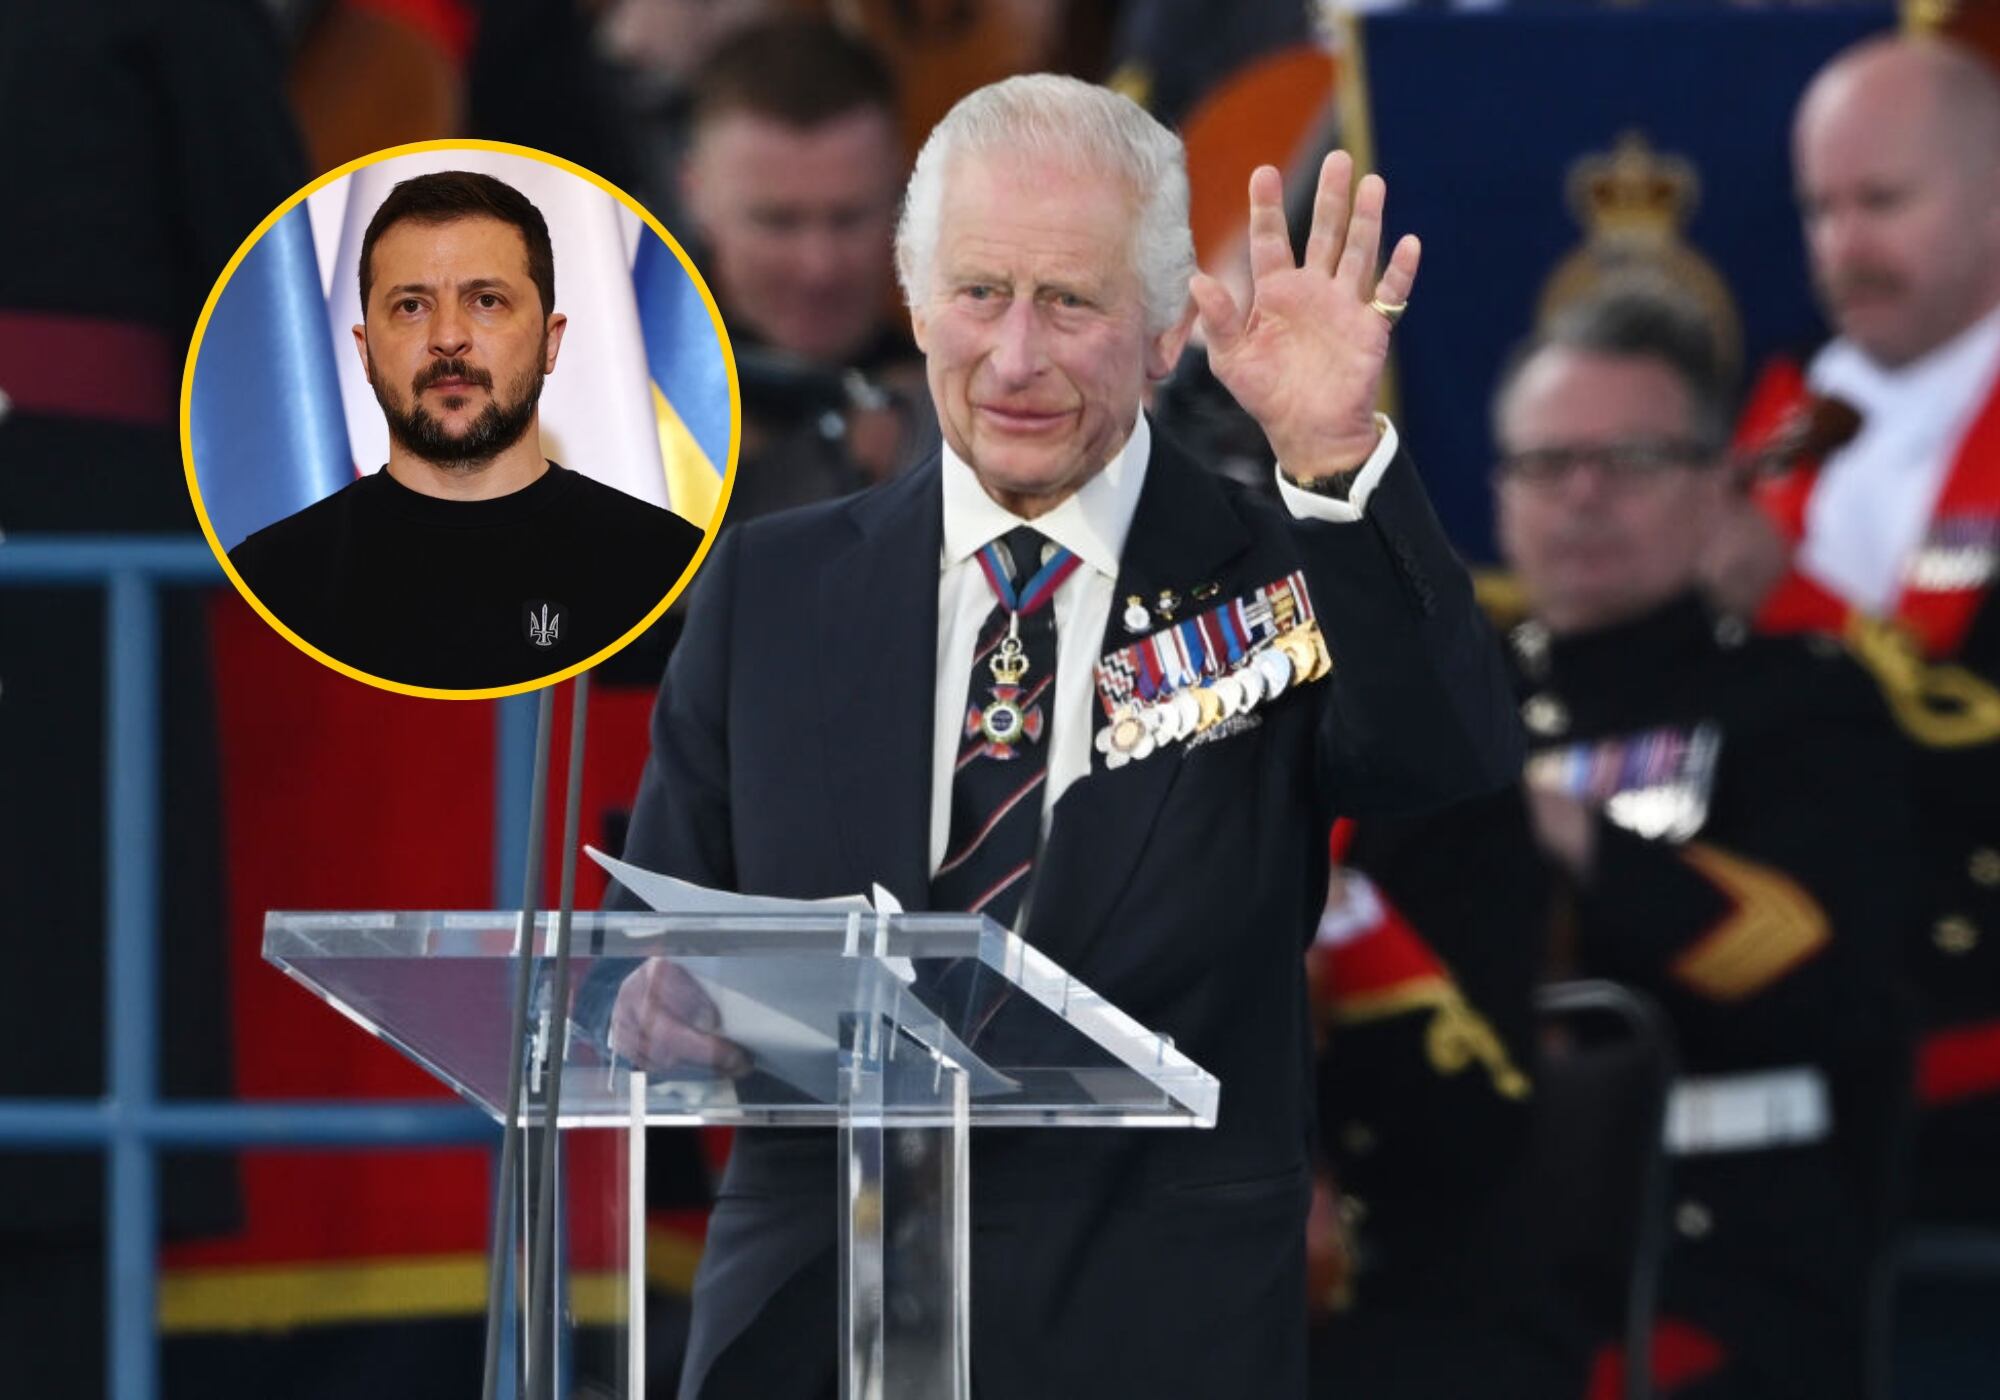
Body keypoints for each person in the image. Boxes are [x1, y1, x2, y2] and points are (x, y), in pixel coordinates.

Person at [598, 74, 1520, 1399]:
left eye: (1071, 302)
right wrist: (669, 1008)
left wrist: (1333, 462)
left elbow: (1447, 756)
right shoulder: (769, 589)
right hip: (807, 1342)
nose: (1016, 357)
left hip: (1149, 1340)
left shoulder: (1274, 573)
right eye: (979, 294)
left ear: (1162, 335)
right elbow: (679, 944)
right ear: (916, 308)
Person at [1339, 286, 1913, 1399]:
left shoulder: (1802, 702)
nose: (1584, 494)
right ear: (1497, 496)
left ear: (1715, 483)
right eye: (1546, 463)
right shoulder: (1442, 709)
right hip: (1459, 1245)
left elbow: (1806, 965)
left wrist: (1557, 828)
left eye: (1632, 459)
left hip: (1712, 1246)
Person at [1711, 33, 2000, 1224]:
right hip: (1796, 1068)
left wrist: (1780, 603)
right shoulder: (1783, 416)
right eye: (1817, 208)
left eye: (1878, 201)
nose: (1840, 246)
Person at [227, 169, 702, 691]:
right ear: (364, 352)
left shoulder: (665, 567)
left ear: (550, 341)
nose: (448, 338)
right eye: (411, 307)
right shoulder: (269, 579)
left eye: (486, 301)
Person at [680, 16, 932, 519]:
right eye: (777, 222)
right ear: (695, 197)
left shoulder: (978, 410)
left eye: (849, 218)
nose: (819, 268)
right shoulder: (616, 423)